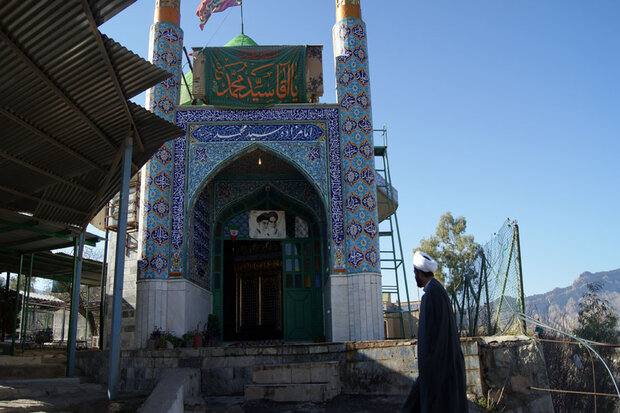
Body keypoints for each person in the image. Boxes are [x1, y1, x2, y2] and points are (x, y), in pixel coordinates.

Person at [401, 251, 468, 413]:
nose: (415, 276)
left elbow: (430, 336)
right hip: (440, 367)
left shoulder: (431, 295)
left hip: (437, 369)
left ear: (418, 273)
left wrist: (428, 367)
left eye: (414, 273)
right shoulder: (438, 291)